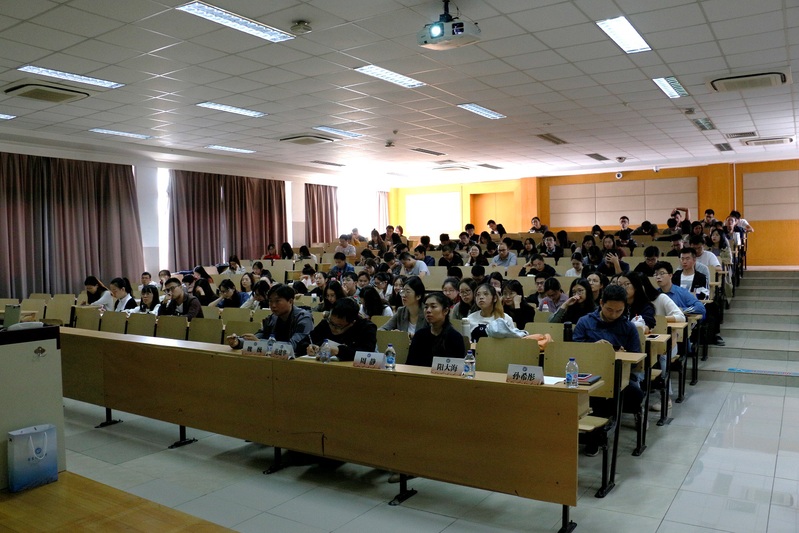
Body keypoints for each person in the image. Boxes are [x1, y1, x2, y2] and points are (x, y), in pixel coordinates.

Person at [573, 284, 646, 455]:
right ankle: (596, 434)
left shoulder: (628, 327)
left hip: (619, 376)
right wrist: (594, 348)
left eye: (619, 311)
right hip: (589, 375)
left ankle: (598, 433)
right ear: (601, 303)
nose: (614, 314)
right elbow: (575, 351)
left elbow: (635, 360)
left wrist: (623, 356)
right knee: (597, 393)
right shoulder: (585, 322)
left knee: (632, 394)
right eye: (609, 309)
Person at [227, 283, 313, 353]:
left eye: (277, 301)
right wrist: (238, 342)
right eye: (270, 301)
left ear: (290, 301)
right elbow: (259, 336)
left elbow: (293, 346)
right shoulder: (273, 318)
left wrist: (260, 343)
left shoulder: (303, 318)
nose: (273, 305)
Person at [306, 298, 377, 362]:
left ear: (352, 323)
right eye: (331, 323)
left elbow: (367, 353)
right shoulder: (326, 324)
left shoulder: (366, 328)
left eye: (338, 326)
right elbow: (305, 341)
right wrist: (310, 347)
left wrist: (339, 351)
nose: (333, 328)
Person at [406, 293, 467, 367]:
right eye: (426, 307)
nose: (428, 310)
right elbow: (410, 364)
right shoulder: (419, 335)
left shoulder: (455, 337)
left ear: (445, 311)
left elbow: (457, 368)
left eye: (433, 306)